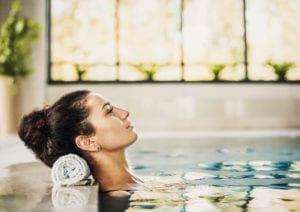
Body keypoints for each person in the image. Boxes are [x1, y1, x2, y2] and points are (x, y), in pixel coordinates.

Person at [18, 90, 144, 193]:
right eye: (109, 112)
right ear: (87, 142)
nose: (124, 113)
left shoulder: (133, 184)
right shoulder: (119, 197)